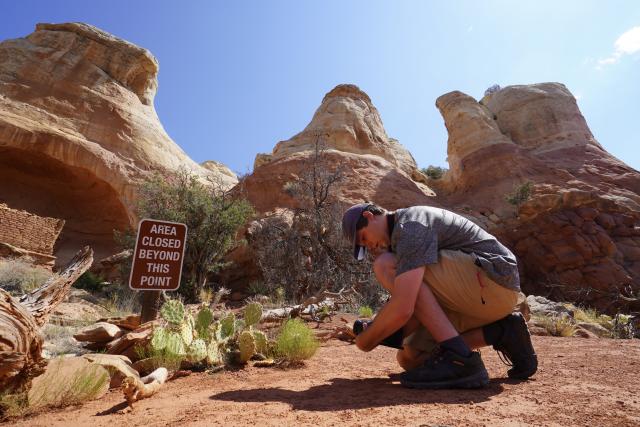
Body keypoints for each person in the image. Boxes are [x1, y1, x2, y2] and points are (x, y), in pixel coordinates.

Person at [341, 202, 537, 389]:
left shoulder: (410, 225)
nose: (369, 246)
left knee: (385, 264)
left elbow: (403, 307)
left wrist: (366, 341)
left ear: (369, 216)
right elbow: (418, 305)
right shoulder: (401, 238)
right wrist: (379, 326)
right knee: (411, 358)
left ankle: (460, 358)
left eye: (364, 238)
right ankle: (503, 331)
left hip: (494, 281)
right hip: (479, 298)